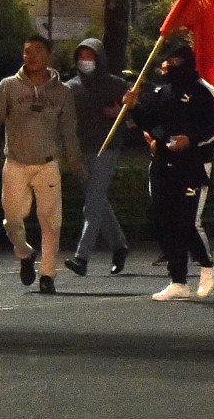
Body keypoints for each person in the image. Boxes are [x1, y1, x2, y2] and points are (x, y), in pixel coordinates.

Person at [0, 35, 84, 294]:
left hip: (47, 164)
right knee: (12, 219)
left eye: (36, 51)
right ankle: (24, 252)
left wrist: (75, 160)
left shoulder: (62, 92)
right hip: (16, 163)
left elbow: (69, 130)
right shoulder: (9, 87)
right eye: (26, 51)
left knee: (51, 222)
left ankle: (47, 273)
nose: (30, 56)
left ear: (49, 55)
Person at [123, 44, 214, 300]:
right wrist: (134, 106)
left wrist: (192, 140)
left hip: (193, 165)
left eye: (177, 60)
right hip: (162, 163)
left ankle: (207, 265)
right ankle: (178, 280)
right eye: (168, 60)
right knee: (164, 220)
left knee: (188, 221)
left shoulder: (205, 91)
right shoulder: (162, 91)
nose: (171, 65)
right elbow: (151, 120)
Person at [63, 38, 131, 277]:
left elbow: (132, 110)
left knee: (92, 204)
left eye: (90, 56)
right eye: (81, 57)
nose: (85, 61)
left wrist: (122, 110)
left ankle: (82, 257)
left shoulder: (116, 85)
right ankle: (120, 246)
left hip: (107, 147)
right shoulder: (70, 87)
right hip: (81, 149)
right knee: (98, 200)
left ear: (99, 58)